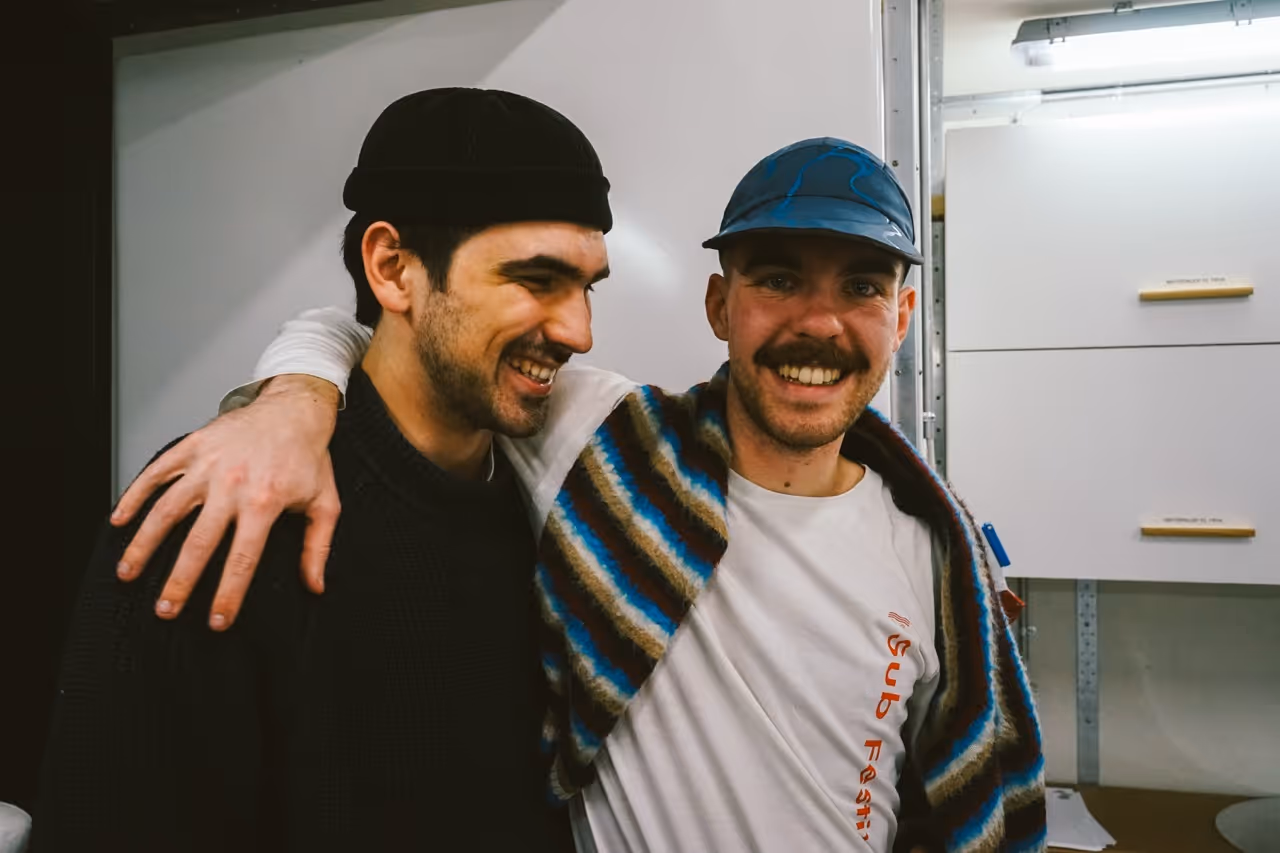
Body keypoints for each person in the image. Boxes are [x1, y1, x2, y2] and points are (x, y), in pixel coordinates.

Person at [110, 137, 1047, 852]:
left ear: (903, 315)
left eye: (863, 287)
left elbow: (959, 794)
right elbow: (399, 333)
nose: (819, 322)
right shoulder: (608, 447)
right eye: (777, 278)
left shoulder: (935, 554)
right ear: (719, 304)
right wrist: (293, 399)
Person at [32, 87, 616, 852]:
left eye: (587, 286)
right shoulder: (228, 504)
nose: (579, 330)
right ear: (393, 268)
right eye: (536, 279)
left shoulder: (550, 499)